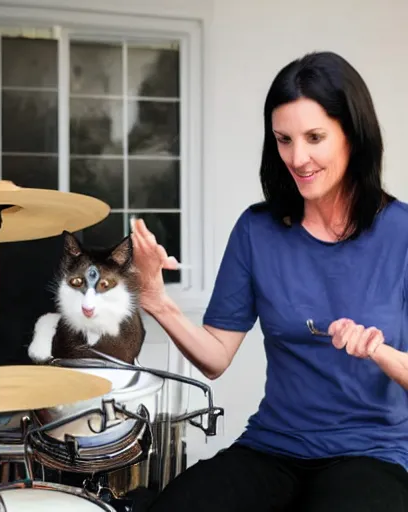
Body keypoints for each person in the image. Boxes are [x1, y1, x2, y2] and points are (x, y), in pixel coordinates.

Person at [130, 51, 408, 511]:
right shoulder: (257, 230)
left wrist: (377, 351)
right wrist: (157, 300)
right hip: (274, 446)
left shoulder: (400, 231)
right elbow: (216, 358)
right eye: (283, 140)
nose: (297, 158)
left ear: (352, 136)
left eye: (315, 137)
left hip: (371, 452)